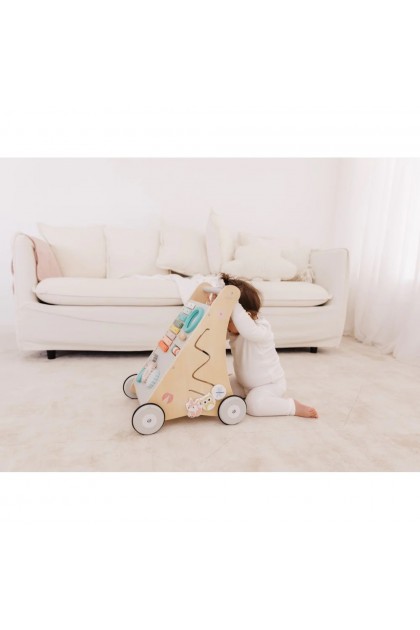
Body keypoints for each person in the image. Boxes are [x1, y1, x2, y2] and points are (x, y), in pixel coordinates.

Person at [221, 273, 318, 419]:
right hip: (243, 383)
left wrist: (233, 303)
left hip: (269, 385)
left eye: (229, 319)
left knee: (254, 405)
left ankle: (292, 406)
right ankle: (246, 393)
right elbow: (216, 333)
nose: (226, 325)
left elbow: (247, 328)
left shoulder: (260, 329)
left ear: (246, 315)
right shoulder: (235, 330)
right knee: (221, 388)